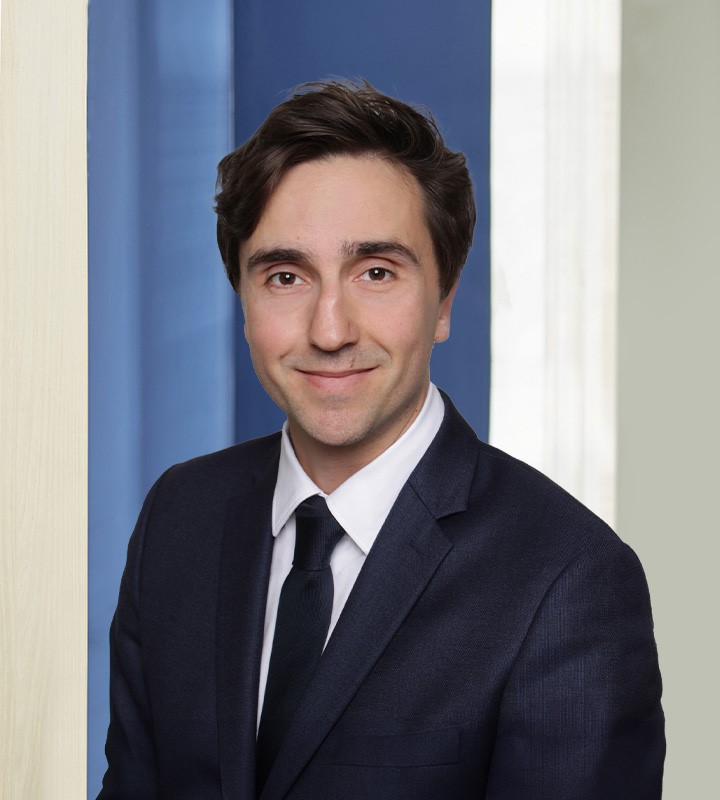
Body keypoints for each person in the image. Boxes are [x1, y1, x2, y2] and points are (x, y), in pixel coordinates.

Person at [98, 80, 665, 800]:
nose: (329, 329)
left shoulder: (567, 580)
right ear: (243, 300)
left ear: (444, 300)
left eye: (376, 272)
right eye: (285, 276)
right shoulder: (180, 516)